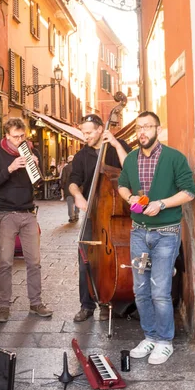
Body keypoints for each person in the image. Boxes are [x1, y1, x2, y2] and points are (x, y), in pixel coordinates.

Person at [118, 111, 195, 365]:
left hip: (167, 233)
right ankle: (150, 336)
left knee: (160, 290)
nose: (142, 132)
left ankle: (164, 341)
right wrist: (129, 198)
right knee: (139, 289)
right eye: (139, 127)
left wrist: (161, 204)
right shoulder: (130, 159)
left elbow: (189, 192)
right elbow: (122, 185)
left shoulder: (174, 158)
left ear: (158, 130)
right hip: (139, 232)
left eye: (148, 127)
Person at [0, 117, 52, 322]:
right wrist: (10, 168)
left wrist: (37, 168)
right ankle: (4, 307)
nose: (19, 140)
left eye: (22, 136)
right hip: (5, 214)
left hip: (28, 213)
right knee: (5, 263)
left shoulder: (31, 151)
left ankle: (36, 303)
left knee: (34, 262)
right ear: (6, 135)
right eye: (15, 137)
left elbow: (39, 184)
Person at [69, 114, 131, 322]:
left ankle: (109, 301)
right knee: (85, 261)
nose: (85, 136)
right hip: (92, 214)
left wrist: (114, 142)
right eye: (83, 132)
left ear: (99, 130)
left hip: (114, 216)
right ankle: (86, 305)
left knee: (111, 261)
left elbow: (130, 168)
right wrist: (78, 195)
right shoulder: (81, 156)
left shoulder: (117, 146)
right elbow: (72, 181)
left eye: (88, 132)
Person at [60, 155, 79, 222]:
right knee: (77, 201)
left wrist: (62, 187)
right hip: (77, 187)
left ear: (68, 160)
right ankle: (77, 215)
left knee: (70, 202)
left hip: (68, 188)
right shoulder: (78, 167)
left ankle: (72, 217)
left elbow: (63, 179)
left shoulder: (65, 168)